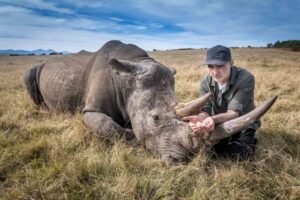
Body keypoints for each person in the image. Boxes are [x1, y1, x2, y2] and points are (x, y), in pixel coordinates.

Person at [184, 45, 260, 160]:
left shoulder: (246, 78)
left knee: (237, 155)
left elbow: (234, 113)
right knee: (211, 153)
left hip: (242, 123)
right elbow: (206, 109)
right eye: (211, 66)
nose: (215, 72)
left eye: (220, 66)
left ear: (231, 62)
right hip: (219, 122)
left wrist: (212, 119)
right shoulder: (206, 81)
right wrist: (201, 118)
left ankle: (248, 139)